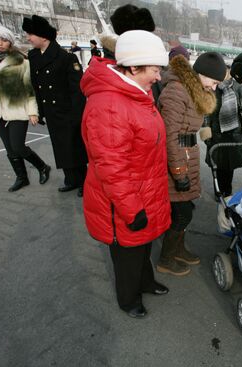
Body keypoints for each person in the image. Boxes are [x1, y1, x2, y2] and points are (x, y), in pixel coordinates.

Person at [80, 30, 171, 319]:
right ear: (133, 68)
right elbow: (112, 167)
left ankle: (144, 281)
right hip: (123, 198)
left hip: (144, 188)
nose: (158, 77)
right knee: (127, 254)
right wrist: (132, 209)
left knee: (142, 246)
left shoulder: (136, 92)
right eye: (155, 70)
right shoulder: (109, 104)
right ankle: (128, 298)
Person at [156, 52, 225, 276]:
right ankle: (166, 258)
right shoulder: (177, 91)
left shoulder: (191, 90)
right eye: (214, 82)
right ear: (202, 74)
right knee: (182, 212)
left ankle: (177, 249)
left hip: (187, 156)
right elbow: (169, 136)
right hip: (176, 160)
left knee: (186, 209)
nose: (214, 88)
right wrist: (178, 173)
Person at [0, 4, 50, 192]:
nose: (0, 43)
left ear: (10, 42)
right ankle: (21, 177)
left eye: (4, 40)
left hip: (18, 110)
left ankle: (42, 166)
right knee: (9, 149)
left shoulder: (21, 62)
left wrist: (33, 112)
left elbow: (29, 89)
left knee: (18, 147)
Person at [22, 15, 88, 197]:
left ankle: (84, 181)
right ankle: (71, 179)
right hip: (51, 111)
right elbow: (36, 85)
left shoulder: (67, 58)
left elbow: (78, 91)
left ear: (44, 36)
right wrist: (39, 111)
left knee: (74, 147)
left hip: (68, 112)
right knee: (60, 147)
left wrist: (77, 116)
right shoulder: (33, 55)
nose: (28, 38)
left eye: (31, 34)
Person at [202, 66, 242, 198]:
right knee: (215, 163)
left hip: (233, 132)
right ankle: (218, 190)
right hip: (216, 132)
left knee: (229, 166)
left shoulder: (237, 86)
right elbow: (206, 111)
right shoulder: (211, 85)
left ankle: (227, 190)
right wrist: (206, 130)